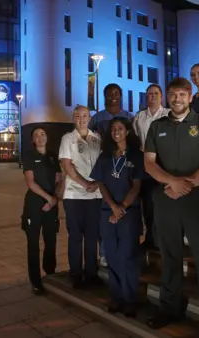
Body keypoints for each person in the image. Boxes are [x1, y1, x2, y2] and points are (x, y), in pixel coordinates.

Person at [144, 77, 199, 337]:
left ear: (190, 97)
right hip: (167, 199)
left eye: (183, 94)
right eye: (173, 94)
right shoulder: (156, 126)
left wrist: (187, 185)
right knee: (170, 259)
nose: (178, 99)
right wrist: (172, 182)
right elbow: (149, 163)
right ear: (167, 97)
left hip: (197, 201)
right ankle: (170, 309)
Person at [90, 118, 144, 317]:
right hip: (107, 213)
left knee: (128, 257)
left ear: (128, 131)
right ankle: (116, 297)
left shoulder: (137, 156)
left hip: (129, 214)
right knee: (111, 256)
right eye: (113, 128)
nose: (116, 131)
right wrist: (113, 207)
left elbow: (137, 186)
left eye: (120, 128)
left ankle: (130, 299)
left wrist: (121, 208)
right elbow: (101, 183)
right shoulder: (105, 157)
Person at [88, 83, 134, 265]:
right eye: (110, 93)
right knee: (105, 212)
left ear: (121, 95)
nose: (113, 96)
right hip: (104, 166)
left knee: (125, 208)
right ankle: (105, 253)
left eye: (117, 93)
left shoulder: (129, 117)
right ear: (104, 95)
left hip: (125, 167)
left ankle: (126, 251)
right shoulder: (97, 119)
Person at [59, 105, 104, 289]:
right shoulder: (67, 139)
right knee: (76, 237)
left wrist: (97, 184)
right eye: (78, 116)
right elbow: (67, 166)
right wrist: (85, 183)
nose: (81, 118)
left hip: (95, 195)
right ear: (73, 118)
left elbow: (103, 163)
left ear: (90, 117)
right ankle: (76, 274)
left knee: (92, 237)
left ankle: (92, 273)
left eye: (84, 115)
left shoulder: (98, 138)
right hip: (75, 195)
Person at [21, 127, 63, 294]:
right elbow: (30, 182)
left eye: (43, 134)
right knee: (33, 244)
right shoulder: (30, 156)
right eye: (36, 135)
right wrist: (48, 198)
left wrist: (54, 199)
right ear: (33, 140)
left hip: (51, 205)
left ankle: (50, 272)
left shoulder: (52, 156)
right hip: (34, 204)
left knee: (51, 240)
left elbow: (60, 180)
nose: (40, 137)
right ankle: (36, 280)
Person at [132, 84, 169, 249]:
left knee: (165, 203)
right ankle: (150, 238)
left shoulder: (168, 114)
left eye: (155, 93)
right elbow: (135, 140)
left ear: (161, 96)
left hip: (165, 164)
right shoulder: (140, 117)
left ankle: (165, 238)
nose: (152, 96)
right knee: (147, 204)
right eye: (149, 94)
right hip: (146, 164)